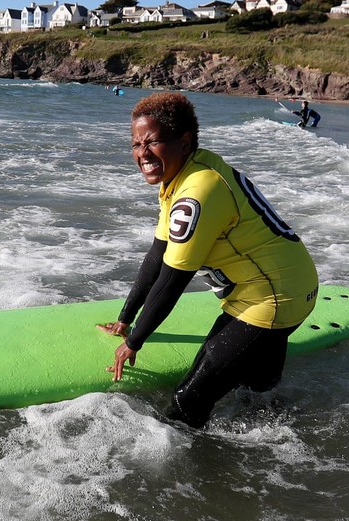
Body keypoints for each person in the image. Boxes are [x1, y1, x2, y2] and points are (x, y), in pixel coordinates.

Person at [98, 92, 320, 428]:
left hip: (270, 298)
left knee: (186, 401)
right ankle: (285, 440)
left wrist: (133, 343)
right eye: (135, 144)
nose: (141, 153)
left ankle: (185, 471)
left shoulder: (196, 193)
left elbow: (172, 281)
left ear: (184, 143)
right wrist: (125, 318)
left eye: (153, 141)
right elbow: (156, 257)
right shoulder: (189, 174)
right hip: (290, 283)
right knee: (257, 389)